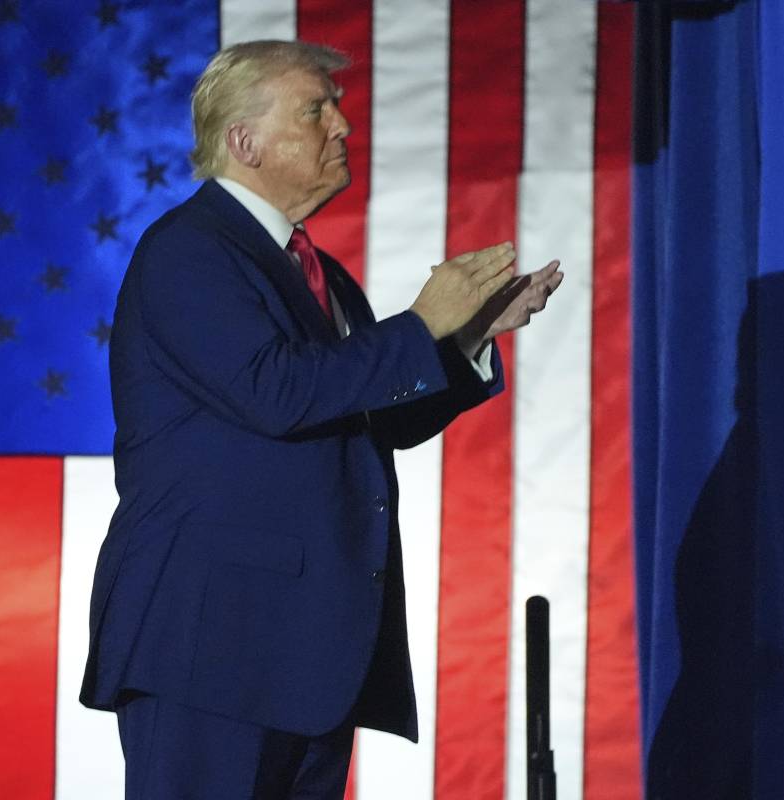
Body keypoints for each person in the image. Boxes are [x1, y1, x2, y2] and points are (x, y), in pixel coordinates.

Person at [79, 39, 563, 799]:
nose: (343, 127)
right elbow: (276, 393)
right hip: (213, 648)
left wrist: (467, 337)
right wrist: (420, 327)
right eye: (316, 109)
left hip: (305, 654)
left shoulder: (319, 273)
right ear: (245, 141)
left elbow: (374, 417)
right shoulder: (188, 251)